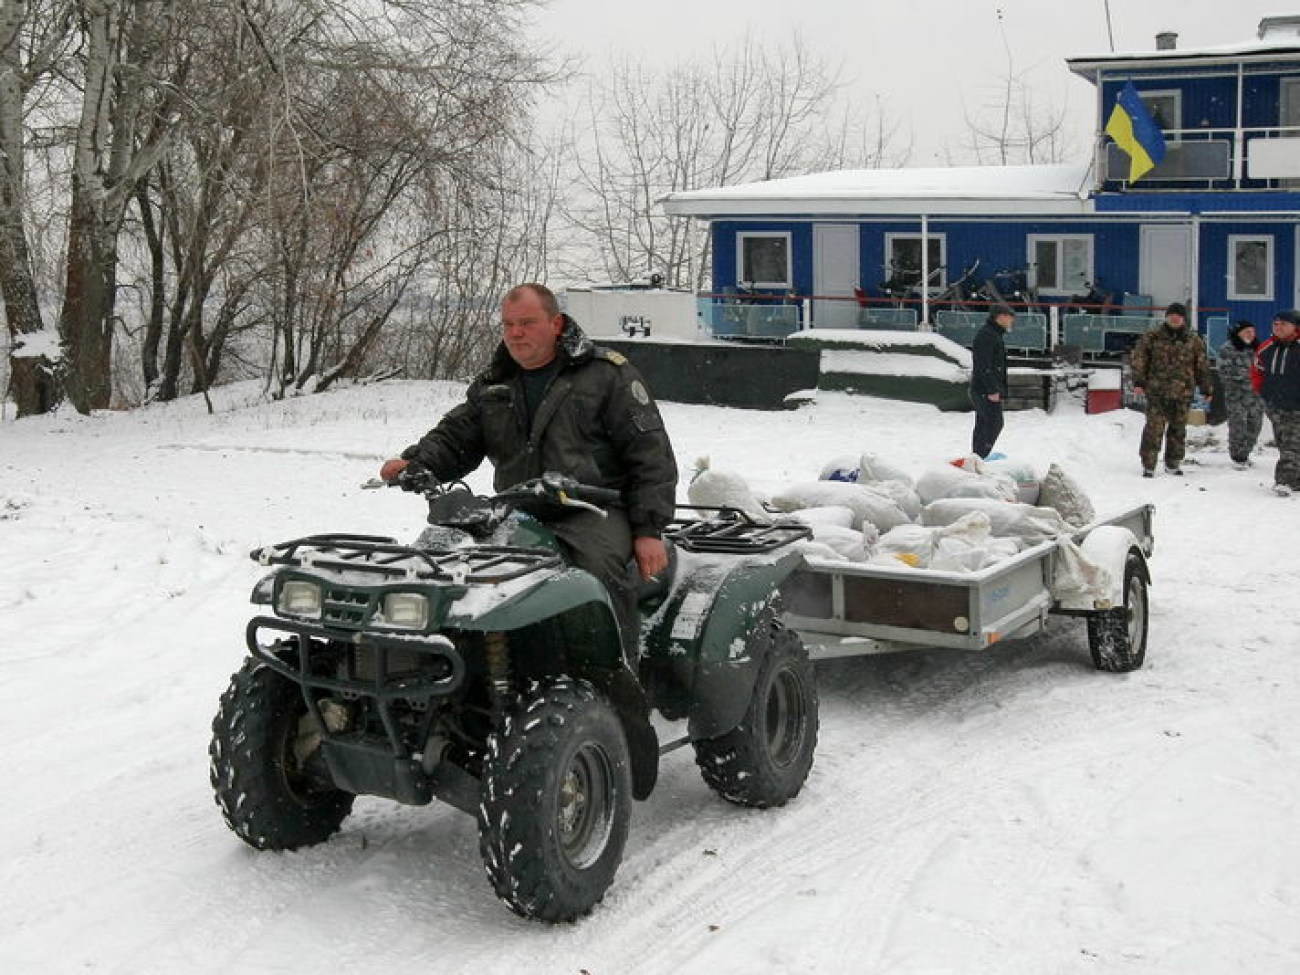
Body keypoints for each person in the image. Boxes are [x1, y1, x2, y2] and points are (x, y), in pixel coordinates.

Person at [379, 282, 679, 658]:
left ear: (555, 323)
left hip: (593, 510)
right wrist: (417, 462)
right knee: (437, 560)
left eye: (527, 322)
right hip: (515, 507)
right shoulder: (496, 382)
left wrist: (649, 529)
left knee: (595, 576)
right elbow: (458, 435)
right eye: (508, 324)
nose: (516, 333)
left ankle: (615, 683)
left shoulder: (606, 375)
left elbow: (650, 454)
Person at [1130, 302, 1212, 477]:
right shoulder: (1152, 337)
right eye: (1172, 315)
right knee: (1154, 428)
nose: (1175, 318)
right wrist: (1138, 382)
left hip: (1183, 393)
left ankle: (1173, 463)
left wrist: (1206, 388)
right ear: (1167, 317)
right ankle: (1149, 464)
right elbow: (1139, 359)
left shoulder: (1193, 340)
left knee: (1178, 429)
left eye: (1179, 316)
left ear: (1184, 319)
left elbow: (1202, 366)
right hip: (1157, 391)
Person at [1252, 309, 1300, 496]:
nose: (1278, 328)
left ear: (1294, 327)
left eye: (1283, 324)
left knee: (1291, 442)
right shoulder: (1266, 347)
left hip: (1296, 405)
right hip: (1275, 405)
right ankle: (1295, 478)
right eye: (1275, 324)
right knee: (1284, 442)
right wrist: (1264, 393)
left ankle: (1285, 480)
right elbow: (1257, 371)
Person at [1217, 320, 1264, 469]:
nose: (1250, 334)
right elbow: (1225, 372)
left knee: (1255, 426)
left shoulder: (1259, 349)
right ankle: (1237, 456)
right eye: (1246, 332)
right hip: (1236, 395)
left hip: (1256, 397)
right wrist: (1251, 376)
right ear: (1239, 333)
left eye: (1252, 331)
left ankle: (1245, 454)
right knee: (1239, 425)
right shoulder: (1228, 349)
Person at [969, 304, 1014, 458]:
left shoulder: (994, 334)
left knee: (985, 424)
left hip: (986, 389)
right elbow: (983, 365)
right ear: (1000, 317)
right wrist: (991, 390)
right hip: (984, 390)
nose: (1012, 320)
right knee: (992, 424)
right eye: (1009, 316)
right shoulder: (987, 335)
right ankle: (979, 457)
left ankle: (978, 457)